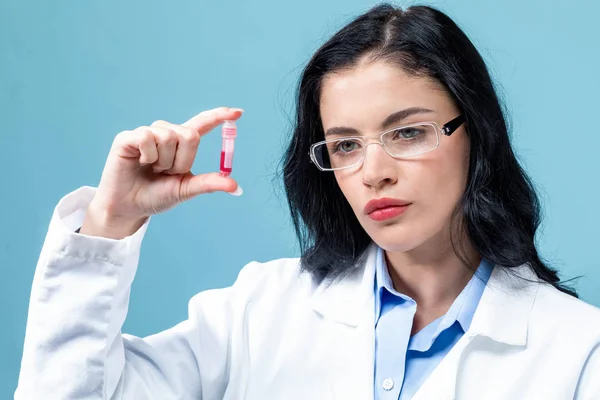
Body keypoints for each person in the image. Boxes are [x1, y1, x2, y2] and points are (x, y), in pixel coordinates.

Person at [15, 4, 600, 400]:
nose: (373, 173)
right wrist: (111, 222)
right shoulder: (259, 313)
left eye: (408, 132)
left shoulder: (578, 352)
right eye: (345, 145)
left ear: (474, 133)